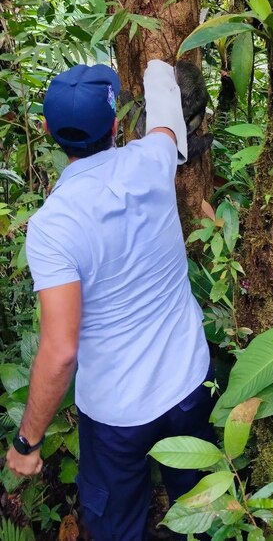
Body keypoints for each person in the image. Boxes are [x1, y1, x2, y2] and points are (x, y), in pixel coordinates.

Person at [6, 60, 214, 541]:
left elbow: (60, 352)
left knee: (116, 527)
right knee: (202, 511)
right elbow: (165, 113)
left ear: (46, 131)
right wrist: (158, 69)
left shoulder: (53, 227)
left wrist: (27, 442)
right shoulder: (152, 159)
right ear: (118, 125)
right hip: (187, 382)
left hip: (117, 415)